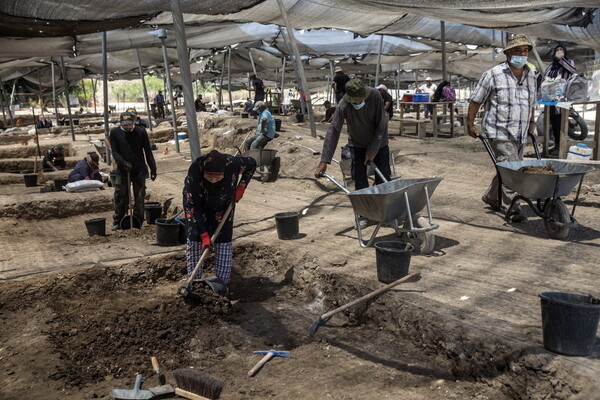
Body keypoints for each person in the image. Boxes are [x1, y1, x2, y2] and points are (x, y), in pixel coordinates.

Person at [466, 34, 537, 223]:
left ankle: (492, 196)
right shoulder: (493, 75)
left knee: (507, 167)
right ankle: (512, 207)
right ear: (507, 53)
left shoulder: (531, 75)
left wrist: (531, 123)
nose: (522, 54)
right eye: (517, 51)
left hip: (520, 132)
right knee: (512, 169)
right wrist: (470, 124)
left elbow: (532, 103)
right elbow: (476, 101)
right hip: (499, 131)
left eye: (525, 51)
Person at [314, 79, 391, 227]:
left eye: (359, 101)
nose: (357, 104)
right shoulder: (344, 104)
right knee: (360, 179)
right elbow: (333, 130)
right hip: (357, 144)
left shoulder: (375, 96)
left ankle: (383, 212)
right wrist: (325, 161)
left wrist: (372, 151)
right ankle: (362, 214)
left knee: (383, 178)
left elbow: (381, 127)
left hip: (379, 144)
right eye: (353, 102)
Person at [183, 150, 256, 285]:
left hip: (223, 206)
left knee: (223, 241)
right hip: (198, 206)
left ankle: (221, 284)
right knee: (195, 240)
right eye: (210, 178)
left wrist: (242, 186)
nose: (213, 181)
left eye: (217, 178)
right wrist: (204, 235)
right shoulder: (195, 170)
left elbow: (252, 164)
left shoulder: (233, 164)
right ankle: (194, 282)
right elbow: (193, 207)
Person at [109, 112, 157, 231]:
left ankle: (138, 221)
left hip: (139, 170)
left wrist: (153, 167)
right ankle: (117, 220)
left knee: (139, 197)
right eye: (125, 125)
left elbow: (147, 151)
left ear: (134, 122)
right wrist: (123, 162)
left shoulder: (140, 132)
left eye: (130, 125)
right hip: (123, 170)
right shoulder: (115, 133)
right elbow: (114, 152)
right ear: (121, 123)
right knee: (120, 195)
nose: (128, 127)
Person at [543, 44, 576, 155]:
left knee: (561, 122)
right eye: (557, 50)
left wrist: (561, 59)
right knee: (553, 122)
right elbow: (545, 77)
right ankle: (557, 145)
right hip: (550, 99)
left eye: (562, 49)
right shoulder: (551, 66)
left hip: (562, 98)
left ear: (565, 52)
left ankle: (562, 147)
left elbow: (572, 70)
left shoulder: (569, 62)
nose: (559, 51)